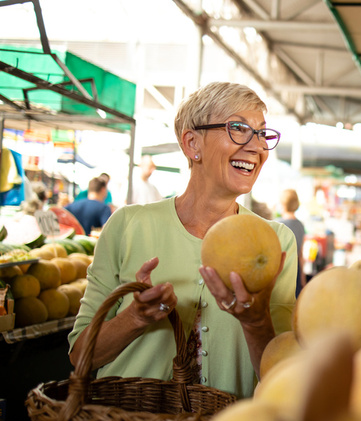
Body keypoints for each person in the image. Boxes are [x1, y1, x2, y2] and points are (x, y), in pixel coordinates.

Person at [67, 82, 294, 399]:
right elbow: (80, 356)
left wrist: (256, 322)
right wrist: (135, 317)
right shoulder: (129, 225)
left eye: (262, 134)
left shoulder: (276, 241)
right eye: (239, 129)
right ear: (191, 143)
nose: (257, 147)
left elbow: (284, 380)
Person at [278, 189, 306, 297]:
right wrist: (302, 279)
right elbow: (300, 255)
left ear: (283, 204)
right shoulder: (300, 225)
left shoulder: (278, 224)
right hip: (296, 270)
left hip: (282, 270)